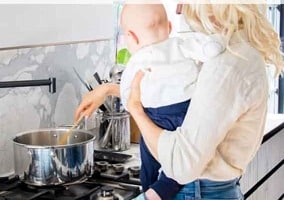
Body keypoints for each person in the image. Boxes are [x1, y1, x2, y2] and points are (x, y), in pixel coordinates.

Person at [75, 3, 284, 200]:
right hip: (211, 189)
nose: (179, 8)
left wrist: (136, 110)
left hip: (195, 191)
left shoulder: (226, 63)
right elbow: (170, 91)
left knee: (151, 165)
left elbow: (183, 165)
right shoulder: (232, 49)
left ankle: (153, 191)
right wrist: (109, 89)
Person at [118, 4, 225, 200]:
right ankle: (166, 184)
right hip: (187, 109)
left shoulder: (136, 61)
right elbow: (211, 48)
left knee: (149, 156)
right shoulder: (181, 45)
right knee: (182, 156)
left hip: (154, 115)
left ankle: (148, 188)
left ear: (131, 38)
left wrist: (131, 105)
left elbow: (127, 94)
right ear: (168, 26)